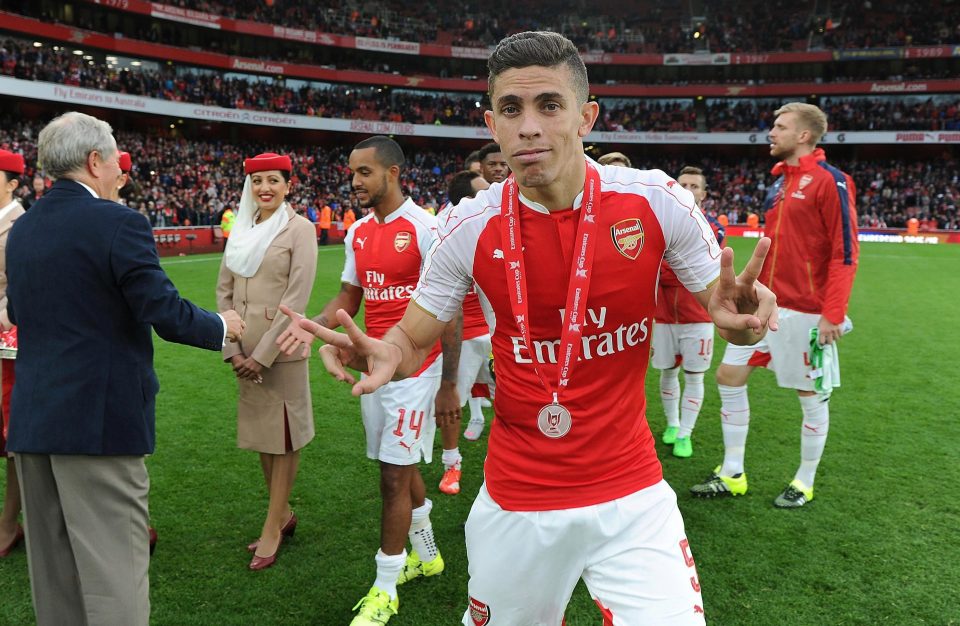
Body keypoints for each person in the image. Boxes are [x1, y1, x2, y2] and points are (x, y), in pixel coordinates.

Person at [280, 32, 778, 625]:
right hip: (518, 495)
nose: (529, 126)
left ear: (586, 116)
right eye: (512, 110)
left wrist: (742, 323)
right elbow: (412, 337)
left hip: (631, 492)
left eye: (549, 104)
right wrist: (385, 353)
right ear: (492, 124)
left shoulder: (654, 199)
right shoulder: (468, 223)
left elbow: (724, 305)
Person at [4, 111, 244, 626]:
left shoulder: (23, 229)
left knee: (56, 578)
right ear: (94, 161)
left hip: (32, 420)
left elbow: (22, 315)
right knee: (115, 572)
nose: (121, 171)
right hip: (99, 422)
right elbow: (164, 311)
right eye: (115, 159)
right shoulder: (119, 221)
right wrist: (222, 325)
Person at [279, 136, 454, 626]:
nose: (353, 182)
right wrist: (315, 328)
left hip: (418, 369)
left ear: (393, 173)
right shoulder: (358, 233)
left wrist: (449, 383)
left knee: (393, 476)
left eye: (364, 173)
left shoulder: (426, 227)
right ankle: (427, 554)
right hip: (373, 370)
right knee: (398, 464)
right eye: (352, 173)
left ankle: (384, 587)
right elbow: (349, 298)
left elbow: (450, 310)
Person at [690, 102, 858, 508]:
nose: (771, 132)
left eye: (779, 127)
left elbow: (846, 252)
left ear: (803, 135)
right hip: (767, 305)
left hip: (807, 311)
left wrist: (833, 313)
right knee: (729, 376)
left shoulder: (830, 181)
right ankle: (732, 472)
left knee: (810, 394)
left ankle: (804, 480)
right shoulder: (779, 183)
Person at [216, 152, 318, 570]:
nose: (265, 189)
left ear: (288, 185)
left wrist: (261, 356)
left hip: (282, 352)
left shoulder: (300, 229)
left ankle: (273, 527)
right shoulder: (240, 229)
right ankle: (284, 512)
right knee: (263, 438)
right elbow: (223, 294)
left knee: (285, 438)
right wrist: (233, 350)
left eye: (274, 180)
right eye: (257, 181)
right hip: (243, 351)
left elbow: (297, 300)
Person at [652, 166, 725, 458]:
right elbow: (657, 270)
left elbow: (696, 271)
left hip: (699, 317)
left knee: (694, 377)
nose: (688, 190)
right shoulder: (659, 223)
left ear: (703, 194)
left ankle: (685, 433)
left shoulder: (714, 229)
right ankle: (672, 424)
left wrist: (667, 270)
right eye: (683, 184)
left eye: (694, 185)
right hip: (662, 317)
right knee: (667, 372)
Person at [435, 170, 493, 496]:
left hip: (502, 335)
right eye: (480, 193)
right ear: (463, 201)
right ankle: (451, 463)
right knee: (453, 400)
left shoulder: (502, 227)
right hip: (467, 333)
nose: (489, 198)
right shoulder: (442, 232)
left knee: (517, 400)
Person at [0, 149, 25, 559]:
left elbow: (20, 291)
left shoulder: (23, 226)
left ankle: (8, 523)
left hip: (9, 347)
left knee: (14, 440)